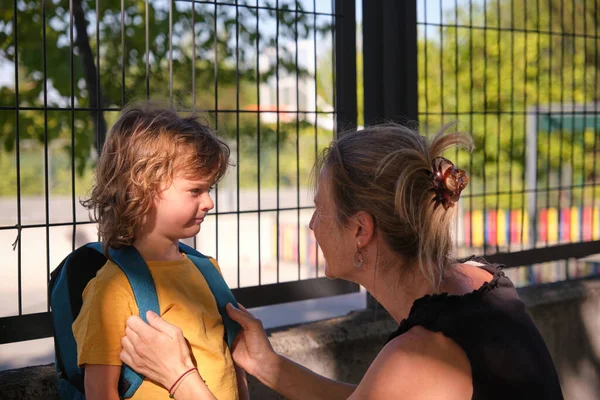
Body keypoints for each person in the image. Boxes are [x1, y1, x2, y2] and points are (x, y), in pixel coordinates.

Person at [119, 123, 564, 399]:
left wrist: (179, 377)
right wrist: (266, 364)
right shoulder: (481, 281)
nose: (311, 225)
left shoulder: (420, 355)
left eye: (320, 209)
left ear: (360, 231)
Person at [73, 105, 249, 400]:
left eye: (210, 189)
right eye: (195, 191)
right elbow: (100, 392)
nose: (208, 202)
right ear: (141, 189)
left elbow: (233, 367)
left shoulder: (207, 271)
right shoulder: (112, 289)